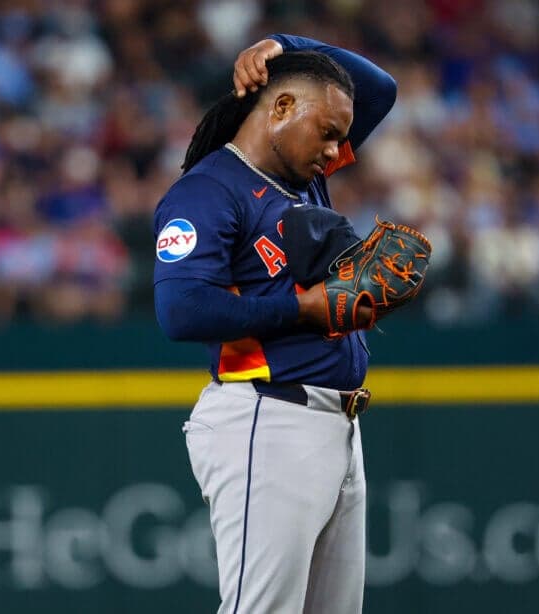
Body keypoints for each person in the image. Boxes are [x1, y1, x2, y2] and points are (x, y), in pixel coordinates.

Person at [152, 35, 396, 614]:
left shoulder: (303, 169)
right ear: (281, 109)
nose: (336, 150)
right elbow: (181, 310)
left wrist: (283, 45)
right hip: (268, 416)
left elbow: (380, 90)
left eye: (341, 136)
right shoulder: (207, 191)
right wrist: (304, 308)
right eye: (328, 133)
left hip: (335, 422)